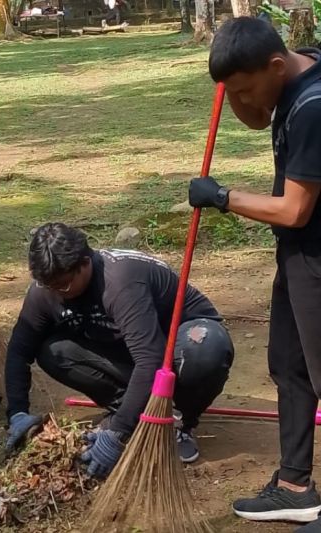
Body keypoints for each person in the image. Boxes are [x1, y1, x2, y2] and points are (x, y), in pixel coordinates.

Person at [188, 18, 321, 530]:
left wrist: (223, 198)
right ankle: (294, 486)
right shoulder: (291, 71)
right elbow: (257, 119)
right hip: (298, 255)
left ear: (274, 66)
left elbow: (294, 210)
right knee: (288, 365)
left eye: (245, 88)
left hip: (316, 255)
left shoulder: (313, 108)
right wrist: (235, 88)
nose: (242, 99)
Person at [4, 223, 234, 475]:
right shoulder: (45, 290)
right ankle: (132, 409)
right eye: (50, 286)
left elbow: (150, 357)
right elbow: (19, 350)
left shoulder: (120, 282)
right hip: (129, 348)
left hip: (177, 341)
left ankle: (180, 421)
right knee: (53, 351)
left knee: (205, 348)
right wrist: (17, 412)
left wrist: (116, 433)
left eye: (64, 285)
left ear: (85, 262)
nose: (58, 292)